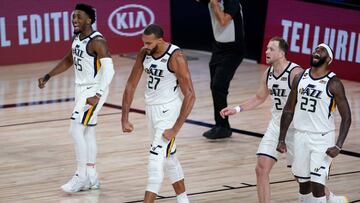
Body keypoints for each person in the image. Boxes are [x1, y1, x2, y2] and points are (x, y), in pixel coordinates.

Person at [220, 38, 348, 203]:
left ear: (281, 54)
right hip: (276, 127)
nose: (266, 52)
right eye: (266, 48)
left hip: (297, 131)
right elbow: (259, 97)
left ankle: (332, 199)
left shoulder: (296, 73)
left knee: (305, 180)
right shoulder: (268, 73)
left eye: (271, 49)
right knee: (261, 168)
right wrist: (237, 109)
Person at [38, 3, 115, 193]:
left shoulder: (98, 41)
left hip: (93, 91)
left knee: (75, 129)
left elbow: (110, 70)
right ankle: (92, 177)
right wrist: (48, 76)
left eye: (79, 16)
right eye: (73, 17)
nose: (74, 20)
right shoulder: (77, 38)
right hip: (81, 89)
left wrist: (97, 95)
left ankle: (80, 176)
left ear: (89, 20)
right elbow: (68, 60)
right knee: (88, 132)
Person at [121, 24, 195, 203]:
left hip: (169, 110)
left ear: (160, 41)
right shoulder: (144, 53)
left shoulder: (176, 57)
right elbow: (131, 84)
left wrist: (175, 129)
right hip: (151, 111)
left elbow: (191, 95)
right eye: (143, 43)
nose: (145, 46)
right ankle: (184, 200)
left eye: (148, 43)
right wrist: (125, 118)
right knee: (169, 157)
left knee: (155, 160)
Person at [277, 43, 351, 203]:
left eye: (322, 50)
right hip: (301, 137)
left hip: (322, 139)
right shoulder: (300, 77)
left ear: (329, 59)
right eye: (316, 49)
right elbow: (288, 109)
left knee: (318, 185)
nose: (317, 51)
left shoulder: (334, 83)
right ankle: (335, 201)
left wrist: (338, 145)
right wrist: (281, 138)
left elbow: (347, 117)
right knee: (303, 184)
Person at [201, 0, 245, 139]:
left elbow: (223, 21)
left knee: (218, 85)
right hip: (218, 48)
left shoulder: (232, 2)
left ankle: (223, 127)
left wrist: (214, 4)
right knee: (215, 87)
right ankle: (220, 125)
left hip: (233, 50)